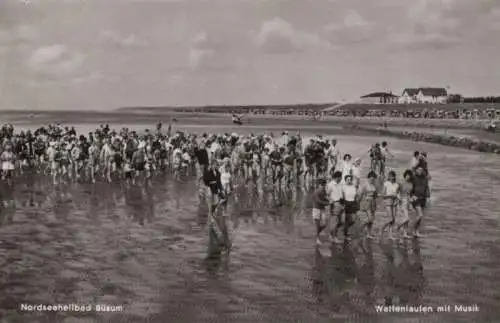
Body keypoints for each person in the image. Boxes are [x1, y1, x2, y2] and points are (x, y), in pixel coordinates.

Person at [358, 171, 378, 239]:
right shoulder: (365, 184)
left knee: (372, 220)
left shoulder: (374, 185)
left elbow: (376, 195)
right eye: (371, 178)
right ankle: (361, 227)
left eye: (373, 179)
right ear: (368, 177)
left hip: (373, 202)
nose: (372, 180)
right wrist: (358, 203)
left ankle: (368, 233)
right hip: (366, 202)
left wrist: (374, 197)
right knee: (370, 219)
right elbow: (360, 194)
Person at [380, 170, 400, 240]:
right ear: (388, 177)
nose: (392, 177)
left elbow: (397, 193)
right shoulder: (386, 183)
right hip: (388, 201)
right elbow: (382, 195)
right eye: (390, 176)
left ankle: (390, 235)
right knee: (390, 218)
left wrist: (398, 197)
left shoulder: (397, 184)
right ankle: (382, 228)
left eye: (393, 176)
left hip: (395, 201)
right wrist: (390, 195)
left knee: (393, 220)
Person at [411, 166, 430, 238]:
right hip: (416, 199)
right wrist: (412, 196)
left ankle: (416, 231)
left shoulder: (425, 178)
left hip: (423, 199)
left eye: (421, 170)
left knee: (420, 217)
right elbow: (410, 188)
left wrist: (428, 197)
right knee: (420, 215)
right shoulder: (413, 178)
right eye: (418, 170)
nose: (420, 171)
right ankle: (412, 229)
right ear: (416, 170)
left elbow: (427, 188)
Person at [327, 171, 345, 244]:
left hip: (341, 204)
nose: (341, 178)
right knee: (335, 221)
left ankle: (331, 235)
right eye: (340, 177)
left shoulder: (341, 184)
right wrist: (330, 201)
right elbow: (327, 195)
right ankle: (334, 237)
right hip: (335, 204)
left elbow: (342, 193)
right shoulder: (330, 184)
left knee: (342, 221)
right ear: (337, 177)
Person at [312, 178, 331, 245]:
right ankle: (317, 238)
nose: (323, 186)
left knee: (325, 224)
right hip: (316, 209)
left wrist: (329, 199)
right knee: (317, 225)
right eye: (322, 185)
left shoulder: (324, 191)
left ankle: (316, 233)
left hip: (322, 209)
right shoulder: (316, 192)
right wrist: (328, 203)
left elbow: (325, 197)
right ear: (318, 185)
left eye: (324, 185)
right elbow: (318, 201)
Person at [396, 170, 414, 239]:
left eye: (409, 176)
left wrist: (412, 199)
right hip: (402, 201)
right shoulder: (401, 183)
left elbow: (411, 193)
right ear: (405, 175)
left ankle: (405, 233)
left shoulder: (411, 184)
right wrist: (398, 198)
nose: (408, 177)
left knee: (406, 218)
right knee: (406, 218)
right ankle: (398, 227)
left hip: (409, 201)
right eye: (407, 175)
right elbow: (396, 192)